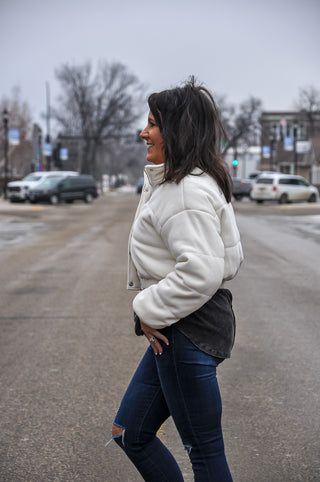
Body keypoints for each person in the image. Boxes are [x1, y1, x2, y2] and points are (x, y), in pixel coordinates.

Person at [111, 77, 244, 481]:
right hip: (181, 327)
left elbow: (202, 270)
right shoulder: (183, 181)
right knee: (130, 432)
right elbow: (227, 257)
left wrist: (145, 309)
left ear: (176, 130)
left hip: (184, 332)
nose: (143, 132)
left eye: (153, 123)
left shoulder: (184, 190)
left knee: (203, 455)